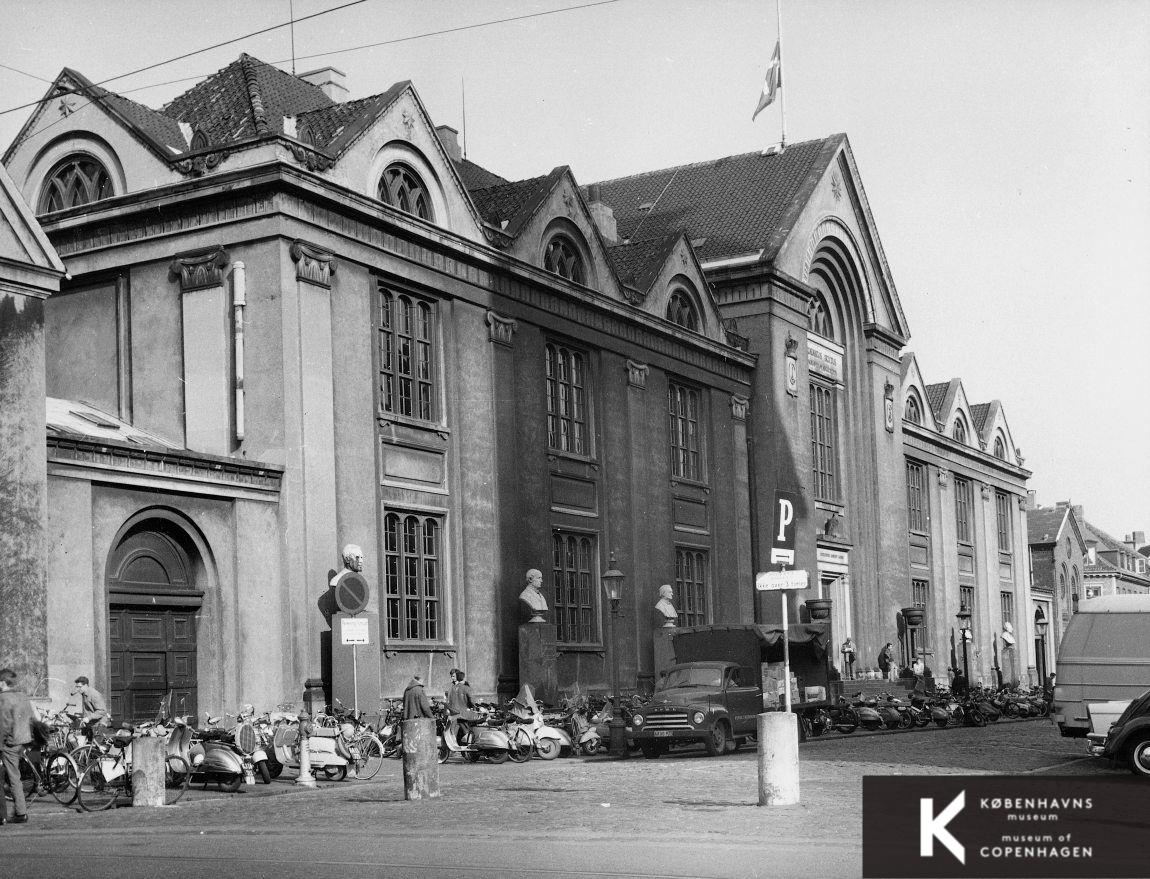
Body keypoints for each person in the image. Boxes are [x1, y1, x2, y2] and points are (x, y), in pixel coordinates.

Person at [0, 668, 36, 825]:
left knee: (10, 778)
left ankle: (13, 814)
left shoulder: (3, 699)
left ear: (2, 682)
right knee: (15, 777)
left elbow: (4, 724)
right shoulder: (22, 696)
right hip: (21, 741)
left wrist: (3, 743)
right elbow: (31, 718)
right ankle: (20, 811)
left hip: (8, 743)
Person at [445, 668, 478, 744]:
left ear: (457, 677)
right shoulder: (465, 687)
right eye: (451, 676)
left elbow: (448, 700)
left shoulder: (452, 688)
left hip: (454, 713)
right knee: (463, 729)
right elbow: (472, 700)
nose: (452, 678)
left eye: (453, 676)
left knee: (454, 730)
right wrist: (474, 707)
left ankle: (455, 745)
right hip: (463, 713)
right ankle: (468, 743)